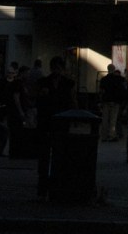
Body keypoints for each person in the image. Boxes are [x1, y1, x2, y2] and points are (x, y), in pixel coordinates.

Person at [34, 56, 76, 197]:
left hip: (60, 122)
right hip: (48, 122)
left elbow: (71, 101)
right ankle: (44, 186)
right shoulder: (45, 82)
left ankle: (55, 185)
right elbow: (39, 101)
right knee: (45, 155)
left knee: (59, 154)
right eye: (55, 68)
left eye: (59, 68)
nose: (57, 71)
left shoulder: (67, 83)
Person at [99, 63, 126, 142]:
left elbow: (101, 91)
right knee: (113, 120)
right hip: (115, 101)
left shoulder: (104, 79)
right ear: (114, 70)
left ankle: (104, 136)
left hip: (106, 101)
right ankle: (111, 135)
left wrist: (100, 101)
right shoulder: (119, 79)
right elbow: (122, 89)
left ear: (108, 69)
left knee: (105, 119)